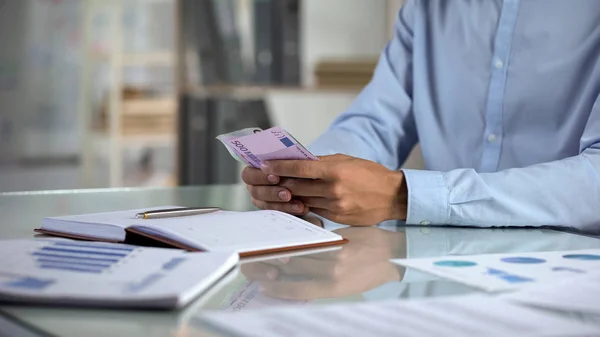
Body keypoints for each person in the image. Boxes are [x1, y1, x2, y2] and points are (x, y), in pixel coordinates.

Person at [242, 0, 600, 232]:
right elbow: (376, 124)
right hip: (441, 271)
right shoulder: (426, 9)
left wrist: (404, 196)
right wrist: (307, 183)